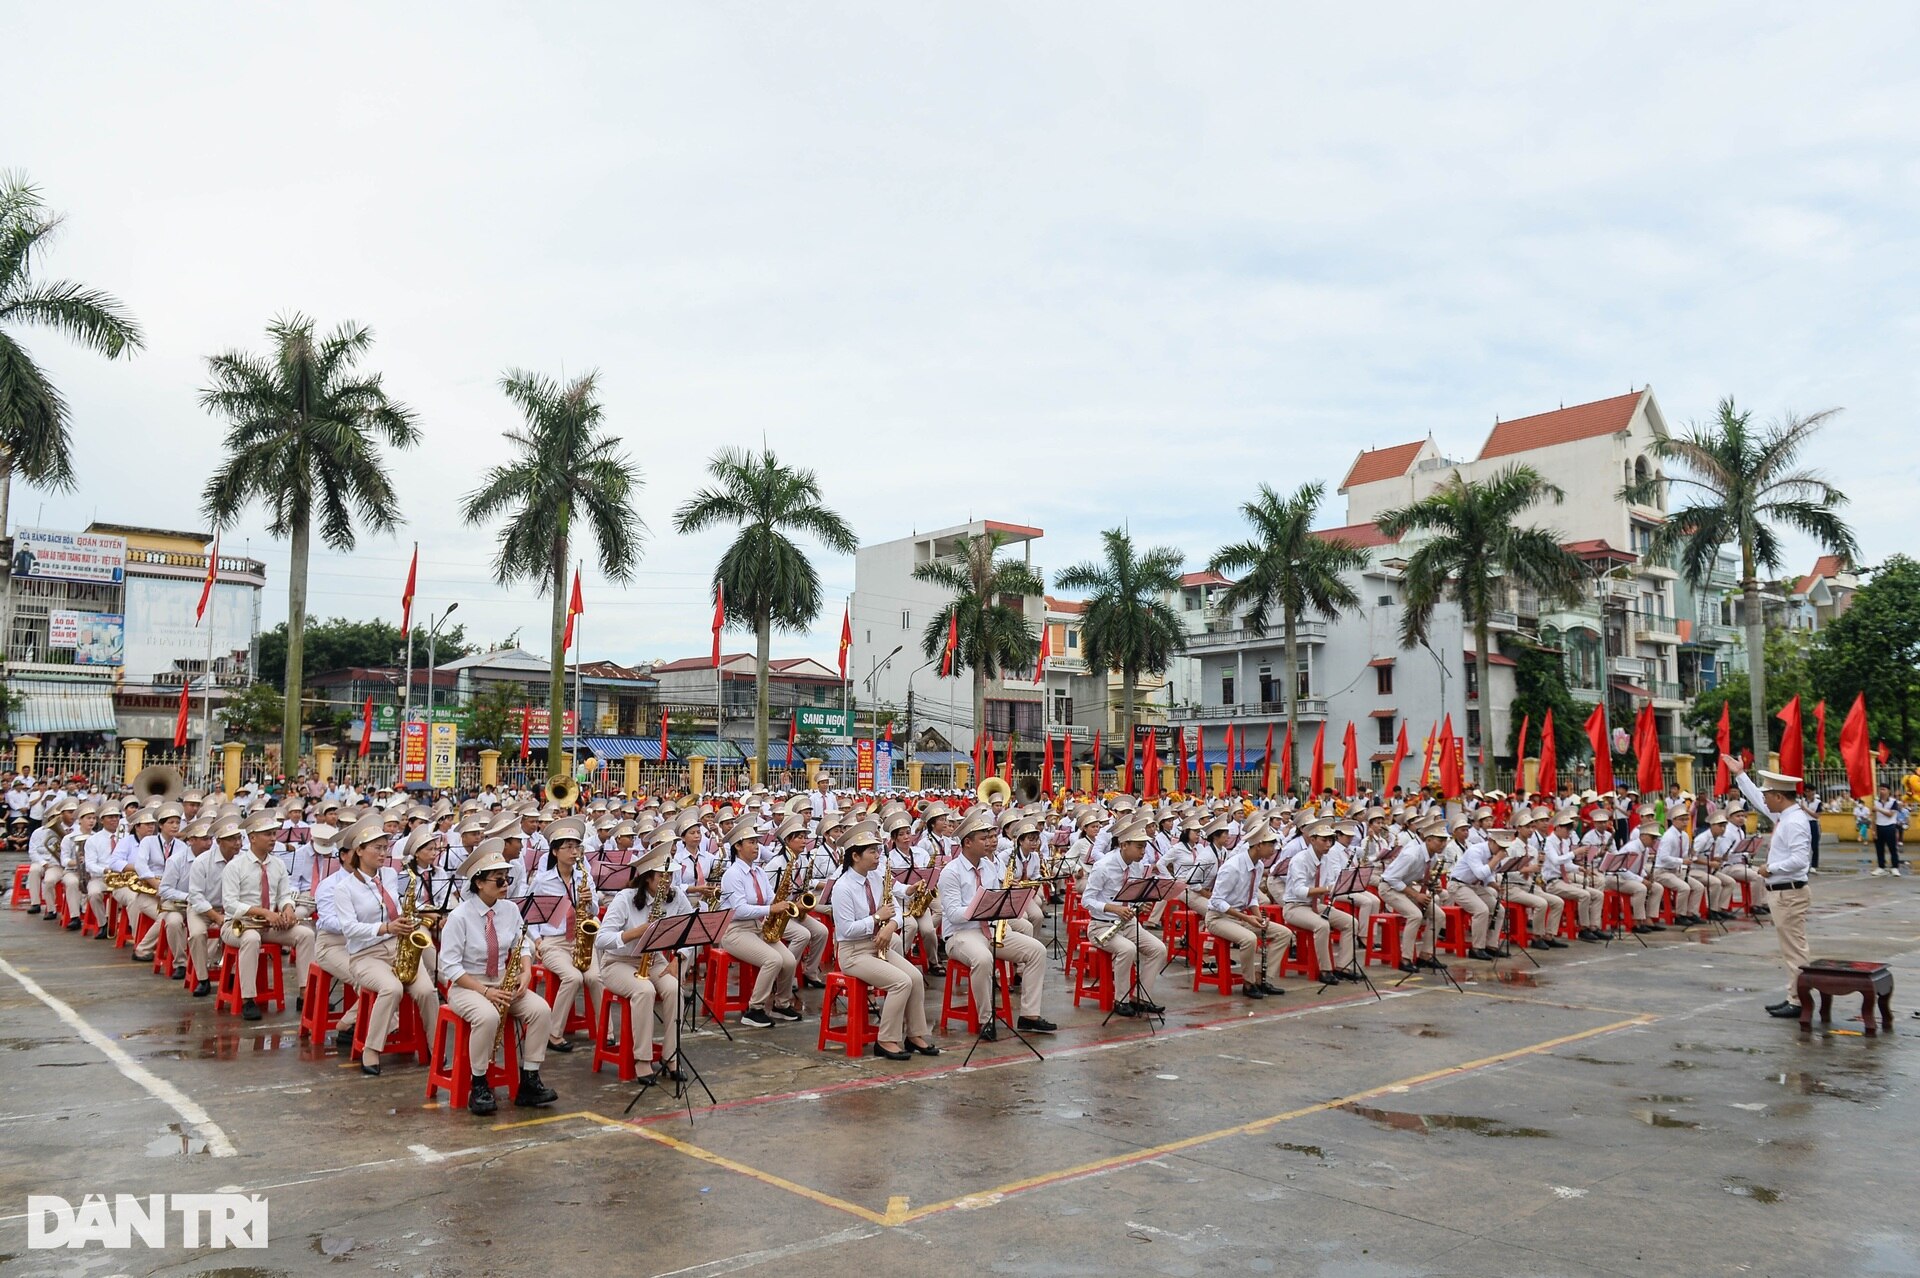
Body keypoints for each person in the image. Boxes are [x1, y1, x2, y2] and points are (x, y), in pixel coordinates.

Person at [437, 840, 557, 1114]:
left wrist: (526, 970)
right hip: (468, 985)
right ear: (479, 883)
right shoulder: (459, 917)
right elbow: (450, 967)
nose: (505, 885)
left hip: (503, 981)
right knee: (487, 1016)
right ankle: (479, 1082)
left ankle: (529, 1079)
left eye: (508, 879)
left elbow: (520, 944)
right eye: (499, 880)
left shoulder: (510, 910)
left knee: (540, 1010)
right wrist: (484, 991)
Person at [331, 822, 442, 1076]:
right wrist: (385, 928)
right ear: (359, 851)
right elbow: (349, 929)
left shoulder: (391, 876)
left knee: (427, 990)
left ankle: (435, 1047)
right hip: (365, 955)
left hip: (399, 946)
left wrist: (413, 919)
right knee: (391, 989)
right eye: (377, 849)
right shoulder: (344, 888)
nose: (383, 853)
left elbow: (400, 909)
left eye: (385, 848)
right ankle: (371, 1049)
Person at [940, 808, 1057, 1034]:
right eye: (983, 838)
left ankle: (1029, 1015)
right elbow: (954, 914)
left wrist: (1009, 897)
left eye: (989, 837)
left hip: (991, 930)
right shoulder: (951, 872)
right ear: (967, 843)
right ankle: (986, 1019)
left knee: (1036, 951)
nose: (989, 842)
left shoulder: (990, 866)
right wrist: (983, 905)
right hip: (961, 935)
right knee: (983, 959)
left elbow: (998, 905)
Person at [829, 821, 938, 1059]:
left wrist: (890, 926)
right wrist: (877, 918)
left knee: (916, 977)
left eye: (878, 850)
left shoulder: (876, 876)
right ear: (855, 856)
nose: (878, 855)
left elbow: (895, 909)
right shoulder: (842, 887)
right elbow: (846, 930)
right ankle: (886, 1039)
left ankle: (915, 1035)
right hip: (853, 952)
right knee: (901, 982)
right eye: (872, 851)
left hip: (878, 943)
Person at [1724, 755, 1812, 1020]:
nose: (1764, 799)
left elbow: (1800, 860)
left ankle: (1798, 1001)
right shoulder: (1786, 814)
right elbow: (1756, 799)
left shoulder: (1794, 821)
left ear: (1778, 796)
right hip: (1784, 891)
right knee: (1791, 949)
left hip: (1789, 891)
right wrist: (1741, 775)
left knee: (1795, 950)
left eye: (1767, 794)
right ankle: (1794, 995)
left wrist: (1769, 869)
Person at [595, 846, 689, 1082]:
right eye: (662, 877)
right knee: (644, 990)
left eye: (670, 877)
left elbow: (689, 929)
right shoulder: (625, 899)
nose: (668, 882)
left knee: (674, 990)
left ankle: (671, 1056)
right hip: (618, 962)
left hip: (655, 958)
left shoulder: (676, 896)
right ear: (647, 878)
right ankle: (642, 1059)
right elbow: (602, 939)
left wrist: (680, 957)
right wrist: (635, 932)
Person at [219, 811, 318, 1021]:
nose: (273, 838)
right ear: (252, 837)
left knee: (306, 934)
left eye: (274, 833)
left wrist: (288, 908)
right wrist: (264, 912)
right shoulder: (235, 866)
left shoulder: (278, 864)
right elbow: (230, 904)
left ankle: (305, 993)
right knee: (252, 939)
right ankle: (248, 999)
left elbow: (283, 895)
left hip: (269, 925)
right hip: (237, 925)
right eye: (268, 834)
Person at [716, 816, 807, 1029]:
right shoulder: (732, 874)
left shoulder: (758, 871)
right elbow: (738, 910)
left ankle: (781, 1003)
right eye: (751, 842)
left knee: (789, 961)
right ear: (738, 846)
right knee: (773, 960)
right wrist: (771, 908)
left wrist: (784, 904)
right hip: (735, 931)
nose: (756, 846)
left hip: (758, 928)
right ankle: (754, 1008)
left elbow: (769, 897)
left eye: (756, 842)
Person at [524, 817, 604, 1056]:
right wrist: (537, 940)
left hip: (580, 939)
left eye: (576, 846)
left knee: (596, 978)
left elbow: (595, 912)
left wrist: (590, 903)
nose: (573, 851)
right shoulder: (542, 881)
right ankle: (553, 1033)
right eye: (567, 847)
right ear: (555, 851)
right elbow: (527, 915)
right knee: (572, 978)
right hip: (554, 942)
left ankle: (605, 1032)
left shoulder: (585, 877)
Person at [1082, 817, 1171, 1013]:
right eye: (1139, 847)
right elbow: (1086, 900)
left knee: (1159, 949)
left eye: (1144, 847)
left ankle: (1140, 996)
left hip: (1127, 924)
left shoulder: (1136, 865)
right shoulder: (1103, 865)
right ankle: (1120, 999)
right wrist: (1113, 908)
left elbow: (1131, 896)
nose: (1143, 852)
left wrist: (1141, 903)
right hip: (1101, 925)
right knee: (1128, 950)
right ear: (1123, 845)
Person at [1203, 820, 1291, 996]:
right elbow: (1217, 901)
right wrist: (1247, 918)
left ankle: (1264, 978)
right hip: (1218, 918)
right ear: (1258, 845)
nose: (1274, 849)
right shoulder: (1232, 867)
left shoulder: (1258, 865)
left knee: (1284, 933)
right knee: (1249, 939)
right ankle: (1249, 983)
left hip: (1240, 917)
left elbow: (1251, 898)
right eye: (1270, 844)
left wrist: (1258, 917)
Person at [1283, 819, 1359, 978]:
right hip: (1295, 907)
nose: (1328, 844)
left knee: (1351, 922)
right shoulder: (1300, 859)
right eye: (1324, 840)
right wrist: (1326, 889)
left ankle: (1343, 967)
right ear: (1312, 839)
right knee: (1322, 925)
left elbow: (1331, 881)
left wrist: (1339, 886)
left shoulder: (1326, 859)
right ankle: (1325, 970)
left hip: (1315, 905)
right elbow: (1298, 891)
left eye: (1330, 840)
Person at [1872, 784, 1904, 876]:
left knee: (1892, 848)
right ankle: (1881, 867)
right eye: (1880, 789)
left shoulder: (1894, 802)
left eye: (1884, 789)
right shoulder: (1875, 802)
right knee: (1879, 849)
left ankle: (1895, 867)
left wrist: (1878, 809)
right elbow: (1874, 817)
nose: (1881, 791)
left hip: (1890, 827)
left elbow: (1890, 814)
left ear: (1888, 791)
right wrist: (1873, 830)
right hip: (1879, 827)